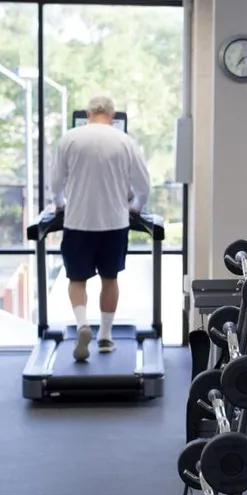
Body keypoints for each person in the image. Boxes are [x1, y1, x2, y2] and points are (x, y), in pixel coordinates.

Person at [49, 94, 151, 362]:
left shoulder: (70, 139)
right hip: (114, 222)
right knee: (110, 279)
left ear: (88, 113)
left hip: (78, 221)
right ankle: (105, 337)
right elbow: (143, 185)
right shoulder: (125, 141)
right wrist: (136, 206)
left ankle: (83, 324)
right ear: (113, 115)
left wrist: (60, 204)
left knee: (76, 280)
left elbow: (56, 182)